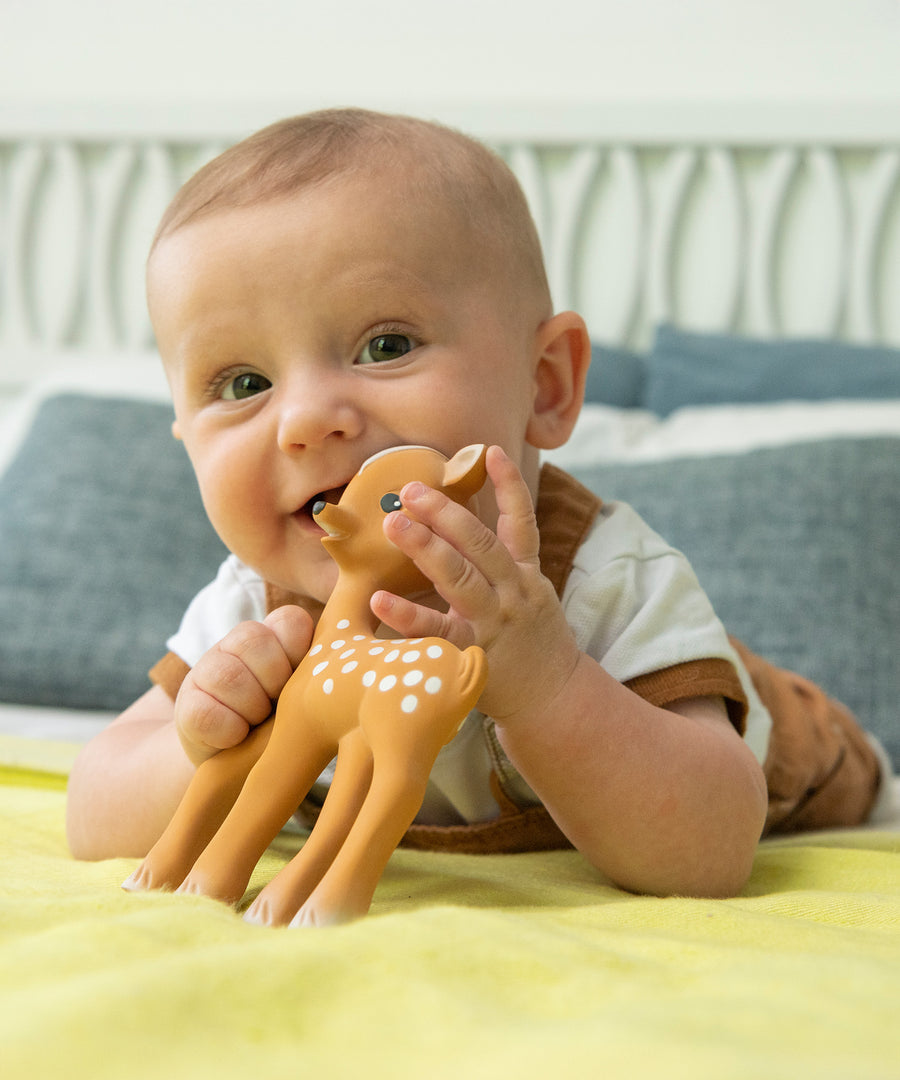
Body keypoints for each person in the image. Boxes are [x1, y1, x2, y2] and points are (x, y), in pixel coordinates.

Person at [66, 108, 885, 899]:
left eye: (385, 346)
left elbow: (708, 853)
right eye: (244, 384)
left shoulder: (603, 580)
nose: (308, 420)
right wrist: (199, 741)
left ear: (547, 385)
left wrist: (549, 687)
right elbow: (90, 814)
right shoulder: (253, 609)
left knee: (807, 739)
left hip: (799, 762)